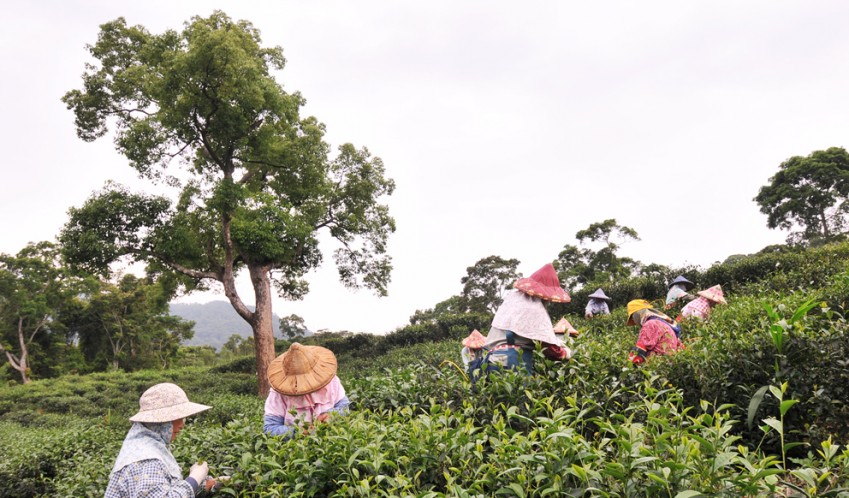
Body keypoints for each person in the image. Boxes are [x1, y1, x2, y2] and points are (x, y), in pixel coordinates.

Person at [105, 382, 221, 497]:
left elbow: (164, 490)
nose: (182, 424)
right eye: (177, 418)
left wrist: (211, 484)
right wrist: (195, 477)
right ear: (160, 422)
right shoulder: (147, 461)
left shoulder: (146, 448)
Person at [479, 263, 572, 375]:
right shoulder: (535, 309)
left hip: (491, 361)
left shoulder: (511, 301)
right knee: (518, 391)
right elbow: (548, 348)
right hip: (514, 362)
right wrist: (565, 353)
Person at [264, 343, 350, 439]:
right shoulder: (277, 394)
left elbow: (345, 407)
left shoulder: (331, 381)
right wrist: (298, 432)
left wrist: (331, 415)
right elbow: (270, 428)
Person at [626, 299, 683, 365]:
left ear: (638, 314)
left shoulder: (649, 324)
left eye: (633, 317)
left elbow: (640, 351)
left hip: (659, 364)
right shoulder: (662, 322)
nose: (634, 321)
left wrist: (628, 365)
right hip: (670, 362)